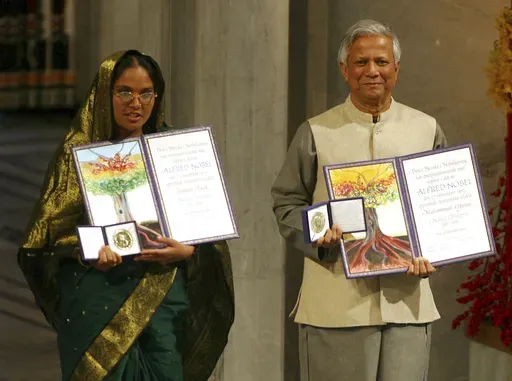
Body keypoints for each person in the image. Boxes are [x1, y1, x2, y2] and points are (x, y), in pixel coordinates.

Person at [17, 50, 234, 381]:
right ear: (106, 92)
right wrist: (90, 251)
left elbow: (208, 231)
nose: (136, 103)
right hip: (98, 297)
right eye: (125, 92)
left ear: (156, 96)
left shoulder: (175, 151)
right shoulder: (78, 154)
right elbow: (47, 236)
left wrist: (188, 250)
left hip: (162, 296)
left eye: (145, 92)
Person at [271, 20, 447, 381]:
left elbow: (442, 206)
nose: (372, 72)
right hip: (336, 305)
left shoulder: (426, 128)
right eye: (361, 62)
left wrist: (436, 252)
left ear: (396, 68)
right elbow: (287, 202)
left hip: (407, 306)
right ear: (344, 70)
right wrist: (319, 235)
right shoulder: (316, 131)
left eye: (381, 62)